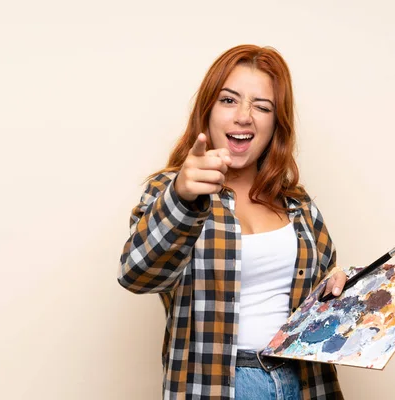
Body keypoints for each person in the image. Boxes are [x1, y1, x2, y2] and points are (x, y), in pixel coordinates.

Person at [118, 44, 348, 399]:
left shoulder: (297, 204)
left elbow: (323, 285)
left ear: (276, 124)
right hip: (222, 387)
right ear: (207, 111)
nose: (244, 116)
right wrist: (182, 195)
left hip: (304, 383)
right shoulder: (171, 191)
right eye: (229, 100)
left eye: (262, 106)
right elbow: (136, 276)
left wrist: (338, 286)